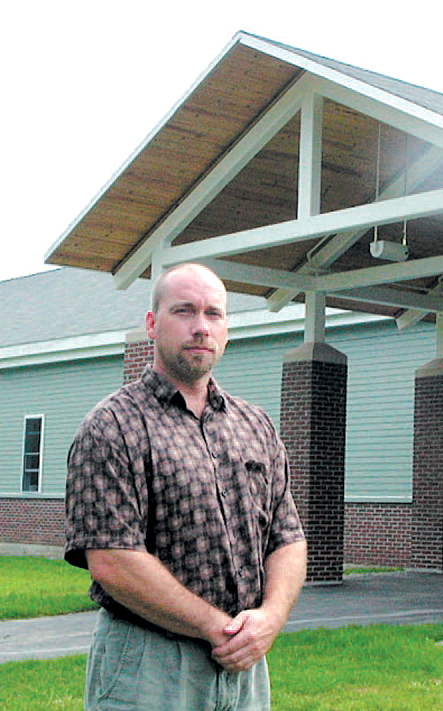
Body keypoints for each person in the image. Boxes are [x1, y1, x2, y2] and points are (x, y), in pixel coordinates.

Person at [64, 263, 307, 710]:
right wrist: (215, 627)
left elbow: (287, 538)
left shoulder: (255, 426)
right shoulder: (113, 426)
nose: (201, 327)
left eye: (213, 314)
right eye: (184, 311)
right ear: (152, 323)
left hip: (247, 663)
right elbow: (111, 559)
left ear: (227, 329)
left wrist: (269, 620)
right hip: (149, 662)